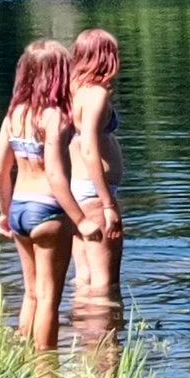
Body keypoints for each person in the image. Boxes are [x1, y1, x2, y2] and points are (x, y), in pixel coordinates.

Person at [0, 39, 95, 350]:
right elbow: (55, 174)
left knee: (32, 293)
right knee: (50, 297)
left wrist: (4, 212)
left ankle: (23, 359)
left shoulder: (14, 115)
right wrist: (81, 220)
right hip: (47, 210)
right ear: (59, 76)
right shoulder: (56, 119)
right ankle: (45, 370)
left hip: (20, 208)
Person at [69, 28, 126, 305]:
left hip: (77, 191)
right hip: (94, 192)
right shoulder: (95, 95)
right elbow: (89, 147)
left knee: (83, 278)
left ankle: (84, 342)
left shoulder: (72, 89)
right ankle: (107, 346)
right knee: (105, 284)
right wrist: (108, 204)